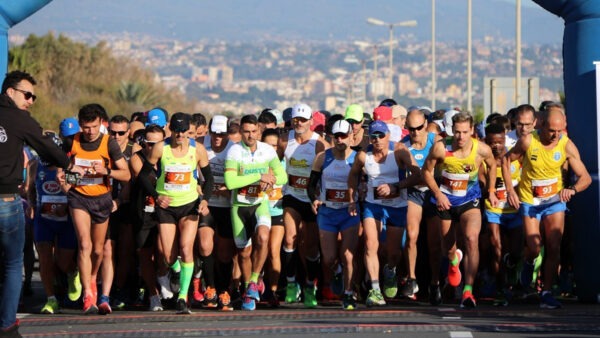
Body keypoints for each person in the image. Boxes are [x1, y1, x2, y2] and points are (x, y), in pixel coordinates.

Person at [0, 70, 83, 335]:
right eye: (27, 95)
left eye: (33, 96)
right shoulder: (18, 118)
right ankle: (7, 326)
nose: (31, 100)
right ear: (10, 91)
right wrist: (69, 165)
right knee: (13, 264)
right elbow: (48, 148)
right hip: (6, 200)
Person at [503, 106, 591, 309]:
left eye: (560, 131)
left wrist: (572, 190)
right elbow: (506, 160)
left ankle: (547, 292)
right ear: (541, 125)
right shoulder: (528, 141)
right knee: (534, 247)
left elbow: (585, 178)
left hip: (554, 201)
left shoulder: (566, 145)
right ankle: (527, 263)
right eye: (552, 130)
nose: (556, 135)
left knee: (553, 247)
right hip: (530, 200)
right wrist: (510, 190)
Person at [60, 104, 131, 315]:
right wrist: (74, 177)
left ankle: (92, 278)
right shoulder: (71, 141)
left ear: (101, 124)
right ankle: (88, 295)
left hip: (101, 199)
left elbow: (126, 175)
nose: (89, 131)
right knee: (84, 244)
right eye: (85, 127)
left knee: (99, 250)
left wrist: (106, 171)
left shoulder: (109, 143)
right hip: (78, 197)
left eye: (93, 127)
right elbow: (62, 176)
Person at [422, 111, 498, 308]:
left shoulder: (481, 149)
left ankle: (468, 291)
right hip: (446, 202)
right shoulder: (441, 148)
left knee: (472, 239)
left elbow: (492, 165)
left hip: (470, 201)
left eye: (465, 132)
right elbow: (426, 172)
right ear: (451, 131)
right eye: (457, 132)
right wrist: (438, 194)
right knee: (448, 249)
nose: (461, 137)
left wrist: (491, 190)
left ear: (472, 130)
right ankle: (454, 262)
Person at [141, 112, 213, 314]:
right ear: (170, 130)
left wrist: (205, 199)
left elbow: (208, 178)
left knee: (186, 248)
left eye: (184, 131)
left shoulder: (197, 150)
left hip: (189, 205)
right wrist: (156, 196)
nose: (180, 135)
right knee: (168, 255)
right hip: (166, 206)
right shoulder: (160, 148)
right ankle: (177, 270)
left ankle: (182, 297)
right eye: (176, 131)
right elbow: (144, 176)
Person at [347, 120, 420, 307]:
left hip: (397, 206)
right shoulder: (364, 155)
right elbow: (353, 174)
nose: (377, 140)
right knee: (371, 244)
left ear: (388, 135)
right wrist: (352, 199)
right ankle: (375, 289)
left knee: (393, 253)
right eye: (374, 136)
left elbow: (417, 175)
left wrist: (395, 186)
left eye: (381, 135)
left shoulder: (399, 152)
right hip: (373, 205)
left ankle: (390, 270)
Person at [224, 114, 287, 311]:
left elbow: (283, 176)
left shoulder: (267, 151)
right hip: (239, 207)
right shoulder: (234, 151)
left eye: (254, 132)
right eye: (246, 132)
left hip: (260, 203)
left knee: (263, 236)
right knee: (244, 253)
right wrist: (259, 176)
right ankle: (246, 291)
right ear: (241, 132)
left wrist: (271, 180)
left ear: (258, 132)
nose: (250, 136)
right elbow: (230, 182)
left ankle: (253, 282)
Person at [277, 103, 328, 308]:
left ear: (310, 122)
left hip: (312, 199)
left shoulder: (319, 144)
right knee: (290, 238)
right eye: (295, 120)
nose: (298, 123)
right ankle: (291, 284)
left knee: (311, 245)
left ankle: (309, 285)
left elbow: (329, 170)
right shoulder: (284, 141)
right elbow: (275, 163)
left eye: (302, 120)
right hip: (292, 195)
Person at [308, 120, 360, 310]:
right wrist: (314, 198)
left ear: (351, 136)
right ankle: (337, 271)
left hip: (349, 212)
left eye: (343, 136)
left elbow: (367, 184)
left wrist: (357, 198)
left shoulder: (358, 158)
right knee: (329, 259)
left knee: (348, 255)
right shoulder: (322, 158)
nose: (339, 140)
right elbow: (311, 185)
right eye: (336, 136)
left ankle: (348, 293)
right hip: (328, 212)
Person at [33, 132, 81, 314]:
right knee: (45, 258)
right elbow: (30, 188)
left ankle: (72, 273)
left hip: (65, 221)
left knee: (62, 262)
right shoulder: (34, 165)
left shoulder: (69, 167)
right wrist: (32, 204)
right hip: (43, 220)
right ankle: (51, 299)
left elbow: (76, 191)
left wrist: (65, 183)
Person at [400, 108, 443, 303]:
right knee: (412, 236)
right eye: (411, 129)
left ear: (425, 124)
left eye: (419, 128)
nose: (415, 132)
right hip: (414, 194)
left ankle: (435, 282)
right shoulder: (403, 146)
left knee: (434, 244)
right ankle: (412, 278)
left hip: (434, 195)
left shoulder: (436, 141)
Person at [479, 123, 523, 306]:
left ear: (505, 138)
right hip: (494, 209)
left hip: (514, 210)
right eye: (492, 143)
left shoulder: (515, 156)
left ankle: (512, 269)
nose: (496, 146)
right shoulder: (483, 160)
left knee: (516, 252)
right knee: (496, 248)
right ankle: (500, 286)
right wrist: (488, 188)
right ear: (486, 141)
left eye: (500, 142)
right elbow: (481, 181)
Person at [195, 115, 235, 311]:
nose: (218, 138)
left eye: (222, 134)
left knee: (225, 253)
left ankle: (224, 290)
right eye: (215, 133)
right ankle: (209, 287)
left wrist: (231, 189)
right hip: (207, 204)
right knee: (204, 245)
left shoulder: (234, 149)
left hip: (227, 206)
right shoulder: (200, 145)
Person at [129, 124, 167, 311]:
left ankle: (165, 275)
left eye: (157, 143)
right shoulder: (137, 158)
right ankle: (153, 295)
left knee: (164, 250)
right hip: (144, 211)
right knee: (145, 254)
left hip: (166, 210)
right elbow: (144, 177)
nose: (152, 148)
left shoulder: (170, 157)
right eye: (149, 143)